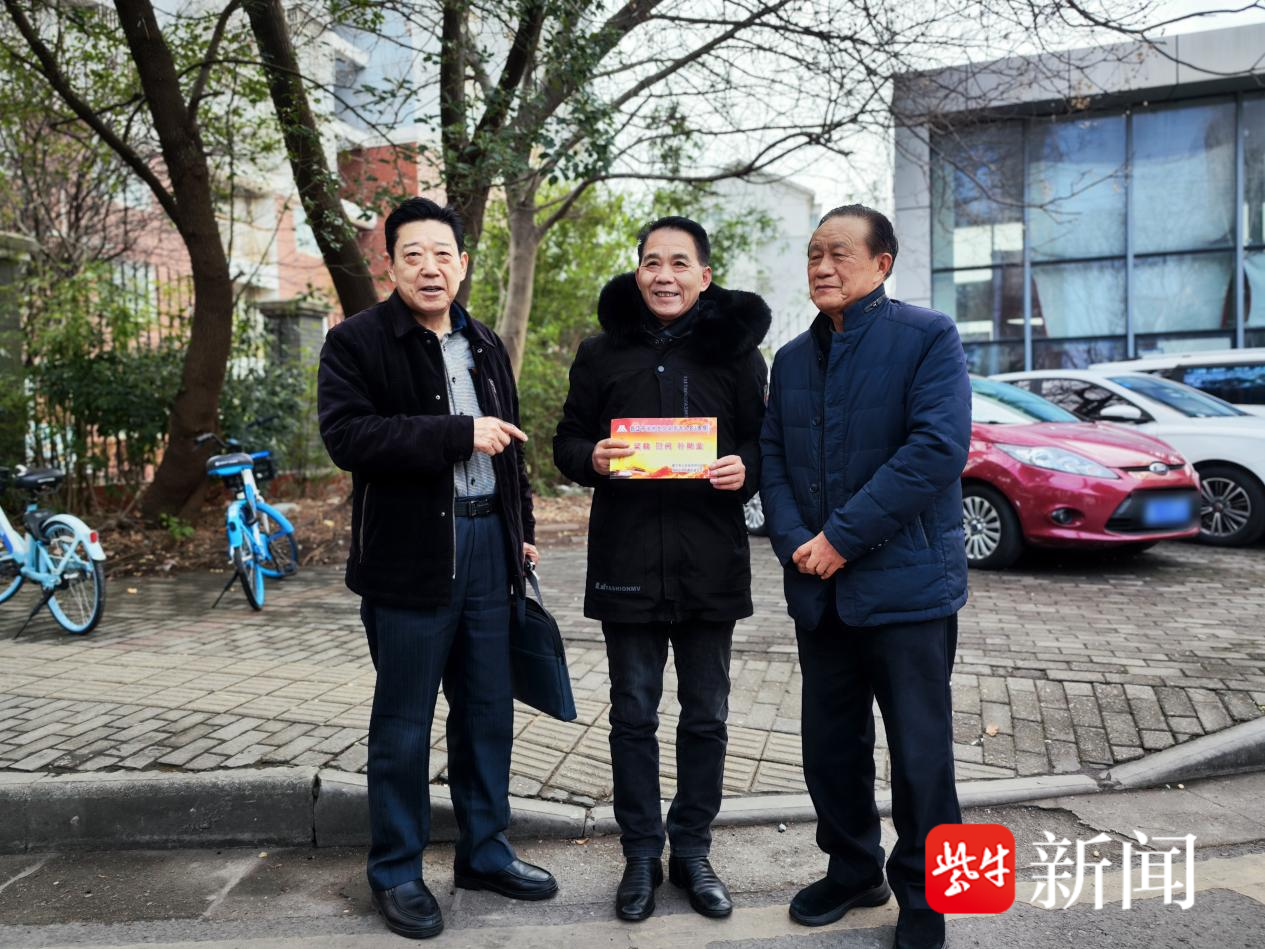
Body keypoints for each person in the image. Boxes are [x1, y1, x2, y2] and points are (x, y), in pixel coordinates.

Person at [318, 197, 557, 940]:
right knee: (403, 722)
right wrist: (457, 433)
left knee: (487, 711)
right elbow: (349, 437)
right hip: (408, 558)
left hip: (489, 550)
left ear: (463, 263)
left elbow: (510, 448)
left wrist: (521, 529)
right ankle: (396, 869)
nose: (430, 268)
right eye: (413, 254)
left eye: (442, 254)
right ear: (389, 264)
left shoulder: (484, 343)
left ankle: (485, 851)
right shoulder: (356, 341)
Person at [759, 205, 971, 949]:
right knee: (830, 748)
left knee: (921, 755)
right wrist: (797, 542)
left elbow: (936, 449)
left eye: (839, 253)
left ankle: (931, 897)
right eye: (814, 253)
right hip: (820, 591)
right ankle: (853, 870)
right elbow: (773, 458)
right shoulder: (791, 358)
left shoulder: (928, 337)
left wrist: (839, 539)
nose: (822, 267)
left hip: (908, 590)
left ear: (882, 264)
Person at [553, 217, 770, 923]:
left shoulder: (737, 356)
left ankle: (693, 851)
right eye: (652, 262)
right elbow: (566, 440)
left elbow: (764, 443)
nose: (664, 275)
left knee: (706, 717)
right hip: (626, 562)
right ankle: (641, 854)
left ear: (704, 276)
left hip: (710, 563)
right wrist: (591, 457)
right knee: (632, 716)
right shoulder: (600, 353)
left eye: (680, 263)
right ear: (637, 270)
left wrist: (746, 468)